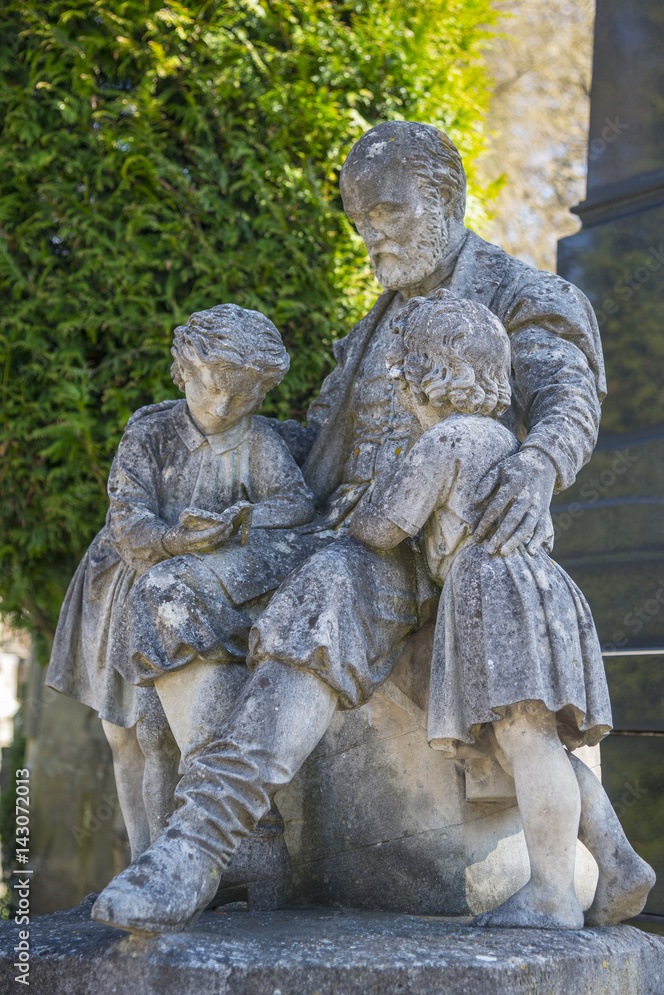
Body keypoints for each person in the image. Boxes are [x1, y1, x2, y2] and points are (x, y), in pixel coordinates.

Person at [91, 121, 614, 934]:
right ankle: (252, 849)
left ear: (445, 199)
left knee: (330, 585)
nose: (370, 234)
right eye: (359, 220)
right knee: (166, 594)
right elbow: (317, 448)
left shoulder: (517, 293)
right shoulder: (372, 325)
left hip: (424, 544)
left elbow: (567, 398)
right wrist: (208, 445)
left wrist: (540, 465)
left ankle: (197, 843)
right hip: (325, 525)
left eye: (387, 212)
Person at [350, 290, 655, 929]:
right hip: (537, 588)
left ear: (422, 379)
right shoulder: (500, 437)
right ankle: (618, 858)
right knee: (538, 745)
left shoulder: (447, 440)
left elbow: (383, 526)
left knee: (528, 740)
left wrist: (348, 514)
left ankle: (550, 893)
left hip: (496, 596)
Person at [49, 302, 317, 907]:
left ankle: (196, 857)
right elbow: (129, 519)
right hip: (126, 581)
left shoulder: (260, 443)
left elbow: (298, 508)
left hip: (190, 589)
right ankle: (146, 855)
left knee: (159, 725)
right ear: (183, 371)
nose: (222, 408)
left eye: (242, 396)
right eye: (211, 388)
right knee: (125, 733)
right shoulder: (151, 430)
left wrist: (239, 521)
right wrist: (174, 540)